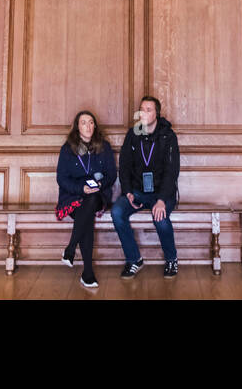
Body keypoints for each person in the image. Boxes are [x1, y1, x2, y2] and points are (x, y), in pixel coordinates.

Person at [112, 95, 180, 279]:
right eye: (142, 109)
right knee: (117, 212)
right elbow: (124, 166)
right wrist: (127, 192)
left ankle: (171, 259)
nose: (143, 113)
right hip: (138, 192)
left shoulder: (168, 136)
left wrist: (161, 200)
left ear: (156, 114)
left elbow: (171, 171)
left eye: (148, 110)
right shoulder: (133, 134)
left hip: (161, 193)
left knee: (160, 218)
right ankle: (134, 259)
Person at [55, 109, 116, 289]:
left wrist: (97, 186)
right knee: (86, 216)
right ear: (77, 127)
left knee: (90, 202)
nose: (88, 126)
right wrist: (81, 188)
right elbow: (61, 178)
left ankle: (70, 249)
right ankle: (87, 273)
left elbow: (111, 175)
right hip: (74, 197)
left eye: (91, 122)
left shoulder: (104, 147)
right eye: (83, 122)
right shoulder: (68, 149)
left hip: (98, 195)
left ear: (95, 126)